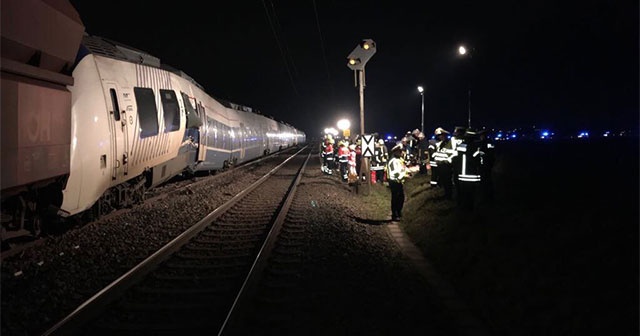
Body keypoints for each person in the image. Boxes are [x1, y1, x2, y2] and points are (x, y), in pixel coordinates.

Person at [453, 129, 483, 211]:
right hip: (473, 174)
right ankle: (470, 210)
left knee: (463, 193)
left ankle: (464, 209)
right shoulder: (477, 146)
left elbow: (456, 159)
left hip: (463, 174)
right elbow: (478, 161)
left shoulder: (462, 146)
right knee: (472, 194)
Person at [432, 127, 455, 200]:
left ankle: (449, 196)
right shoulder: (440, 144)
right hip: (440, 165)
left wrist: (448, 160)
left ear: (444, 135)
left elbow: (453, 153)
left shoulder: (450, 142)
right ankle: (446, 194)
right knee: (444, 181)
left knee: (447, 181)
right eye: (439, 135)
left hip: (446, 165)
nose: (440, 137)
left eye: (441, 135)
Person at [387, 144, 408, 221]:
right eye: (400, 151)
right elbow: (395, 173)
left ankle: (398, 212)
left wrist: (407, 172)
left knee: (401, 198)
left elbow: (403, 169)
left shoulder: (399, 160)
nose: (402, 153)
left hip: (399, 182)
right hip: (394, 182)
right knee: (395, 198)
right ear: (395, 152)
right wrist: (404, 175)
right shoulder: (393, 161)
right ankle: (395, 214)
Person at [477, 129, 496, 202]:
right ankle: (484, 195)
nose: (481, 137)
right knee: (483, 180)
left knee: (487, 180)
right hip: (482, 164)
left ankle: (489, 196)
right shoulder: (481, 142)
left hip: (487, 163)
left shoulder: (489, 142)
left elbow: (491, 152)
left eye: (482, 135)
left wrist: (484, 154)